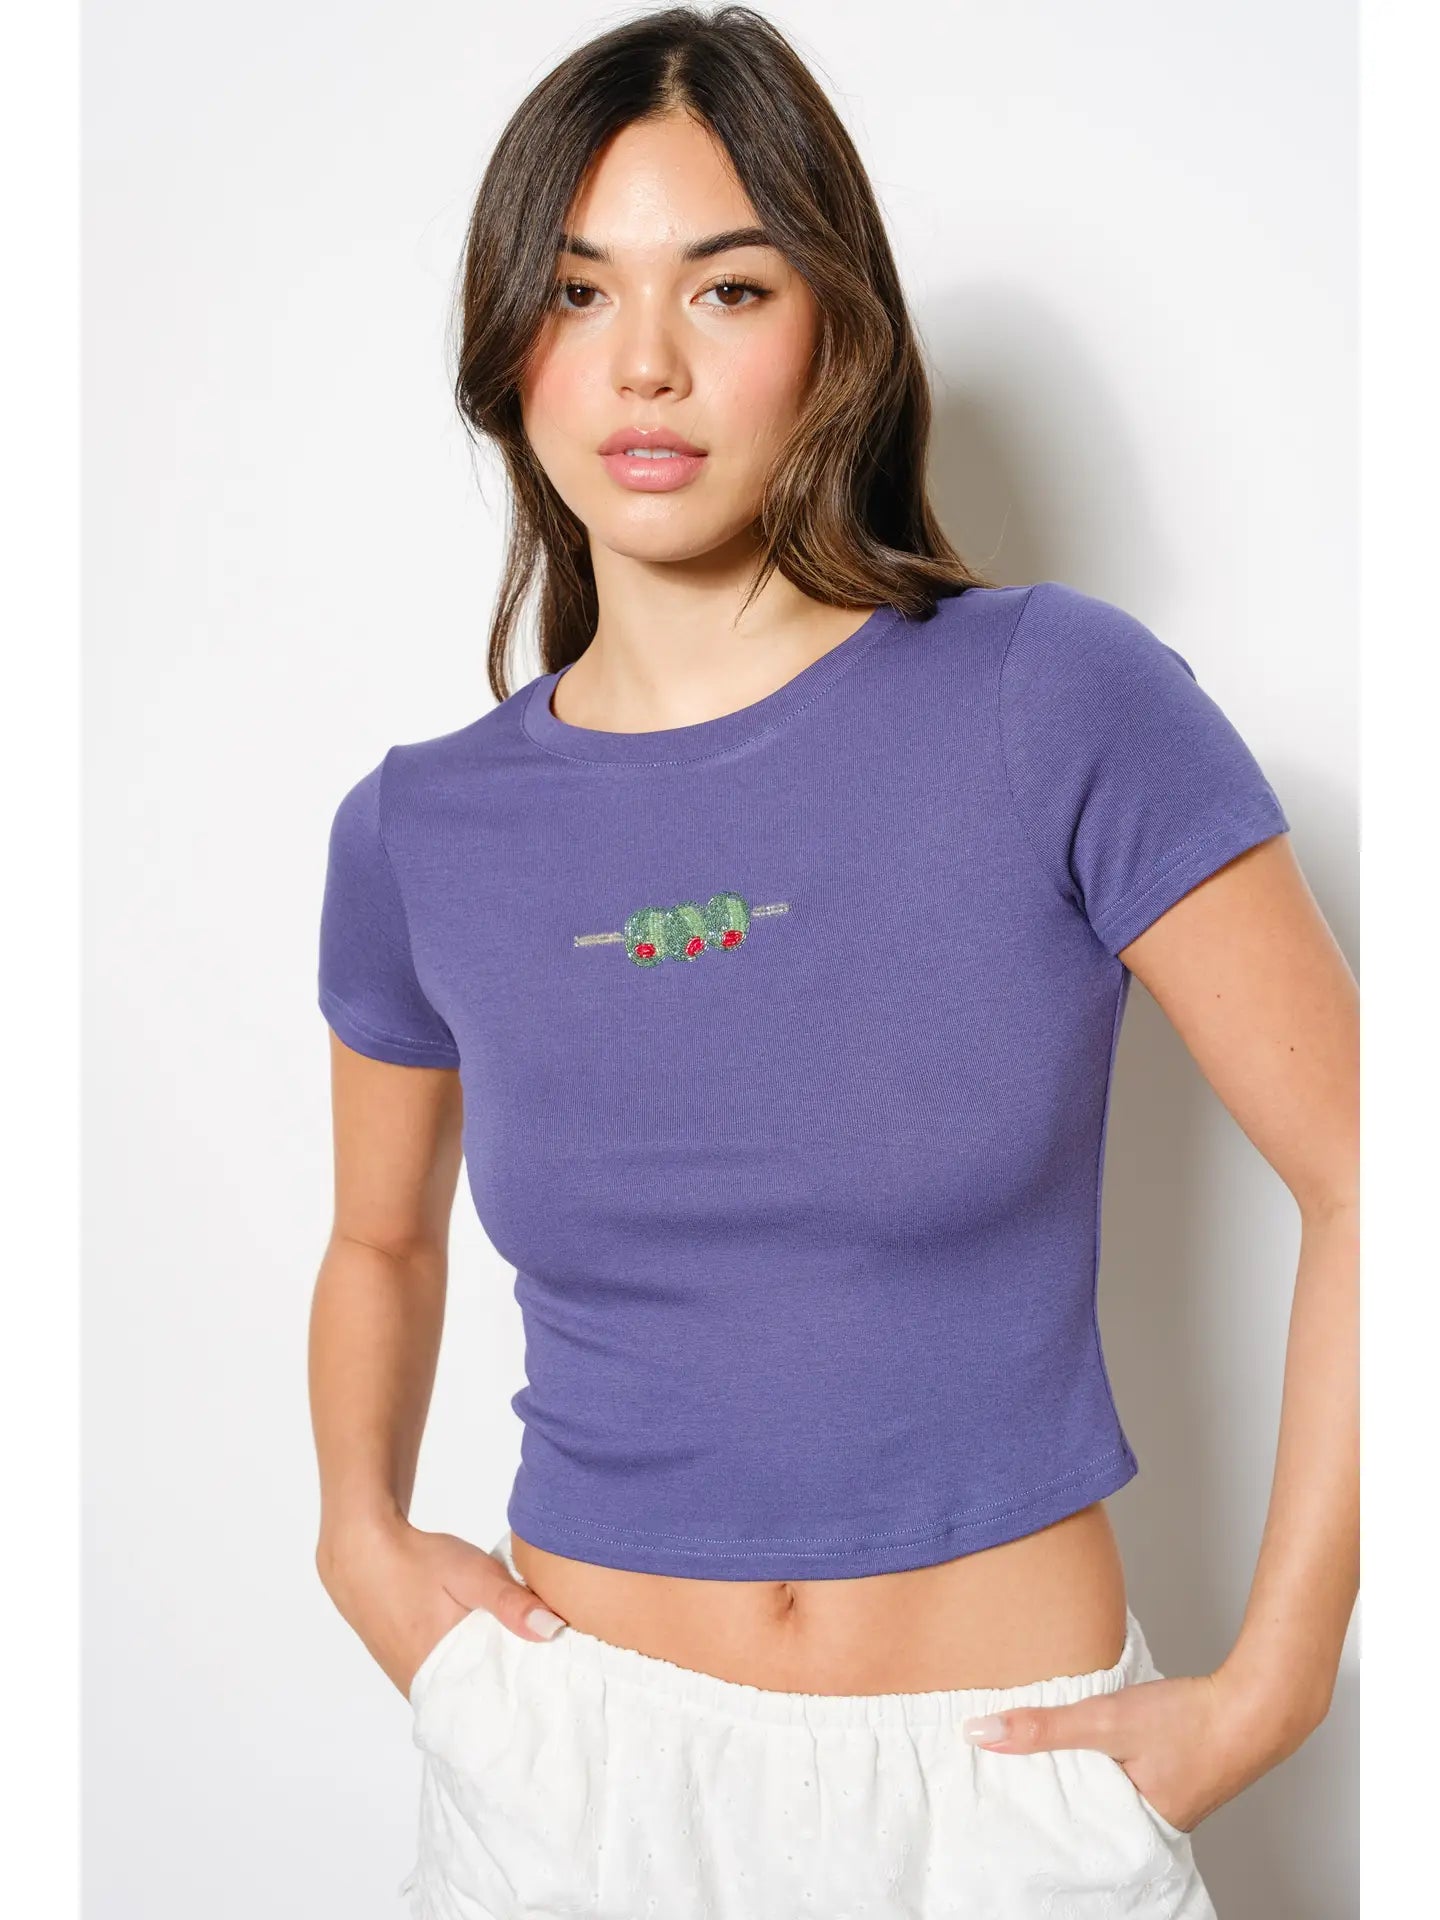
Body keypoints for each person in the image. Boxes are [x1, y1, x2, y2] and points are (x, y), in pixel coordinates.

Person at [308, 8, 1358, 1916]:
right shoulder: (419, 832)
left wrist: (1275, 1685)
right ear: (508, 344)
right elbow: (381, 1241)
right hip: (573, 1789)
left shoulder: (1057, 700)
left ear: (836, 331)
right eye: (578, 290)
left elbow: (1376, 1175)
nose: (644, 361)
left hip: (1006, 1788)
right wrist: (359, 1541)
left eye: (726, 287)